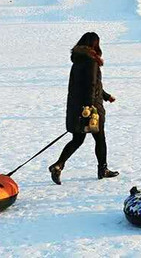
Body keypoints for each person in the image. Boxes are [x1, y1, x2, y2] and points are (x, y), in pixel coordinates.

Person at [49, 32, 118, 185]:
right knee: (100, 138)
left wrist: (106, 96)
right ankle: (103, 169)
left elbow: (91, 84)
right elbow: (91, 85)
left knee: (78, 139)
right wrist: (90, 108)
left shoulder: (78, 61)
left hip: (76, 106)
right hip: (90, 107)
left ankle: (58, 165)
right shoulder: (91, 61)